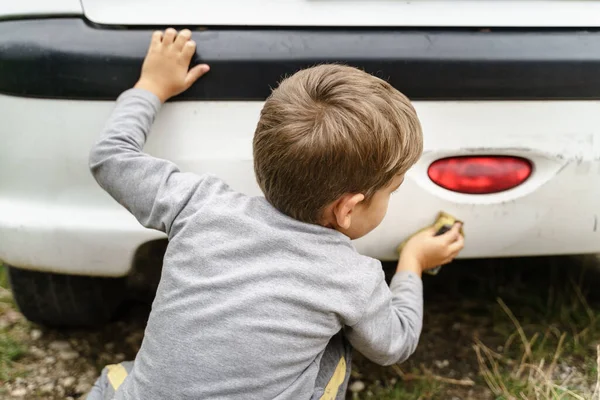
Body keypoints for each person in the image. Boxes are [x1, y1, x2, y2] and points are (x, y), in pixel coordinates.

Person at [86, 28, 464, 400]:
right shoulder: (352, 278)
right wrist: (412, 264)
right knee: (336, 347)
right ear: (347, 209)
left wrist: (151, 85)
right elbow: (394, 345)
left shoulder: (198, 204)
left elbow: (111, 158)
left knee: (125, 381)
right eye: (391, 191)